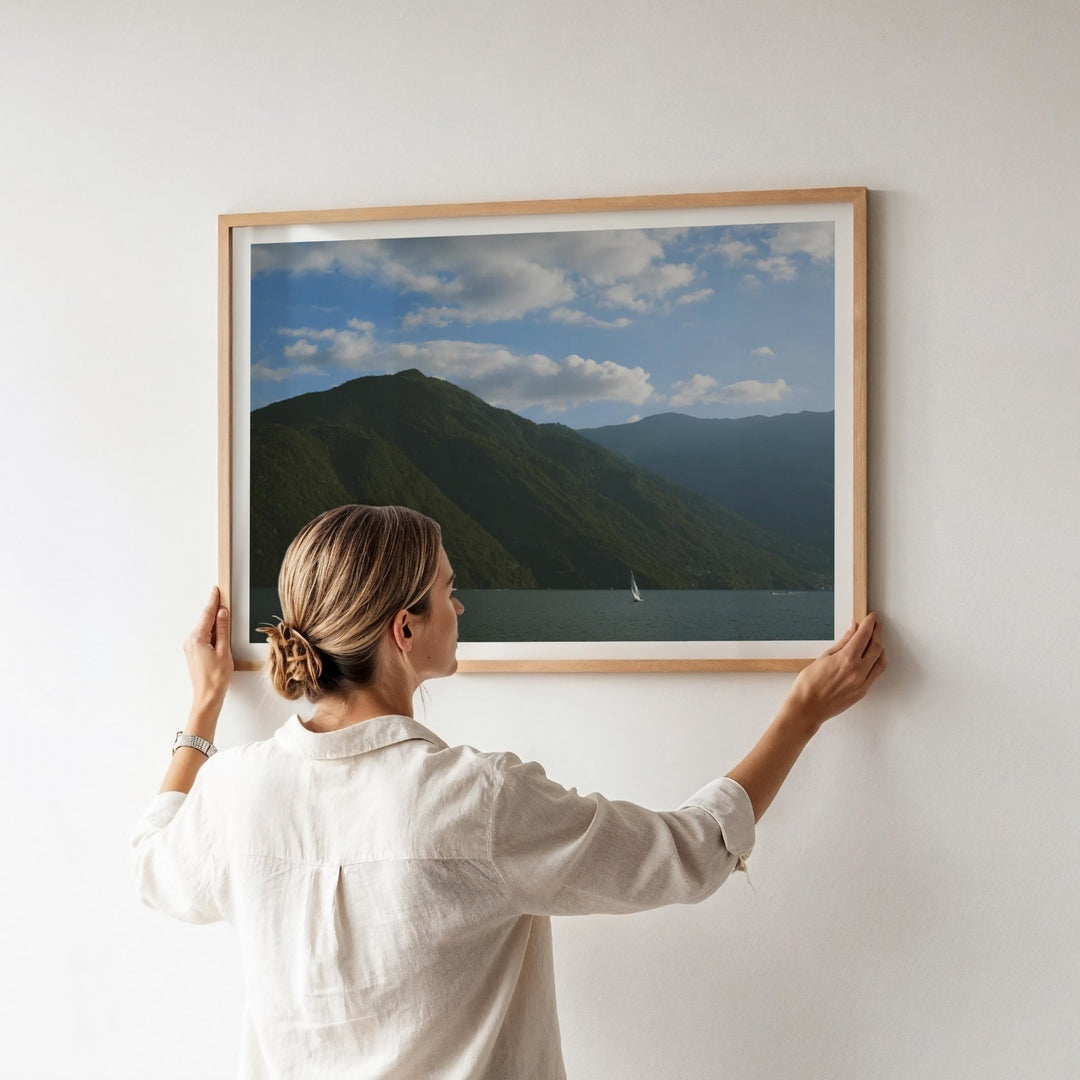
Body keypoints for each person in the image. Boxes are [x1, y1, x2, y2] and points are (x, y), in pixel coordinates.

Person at [132, 504, 886, 1080]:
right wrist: (801, 714)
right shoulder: (474, 798)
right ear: (404, 630)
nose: (460, 607)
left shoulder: (234, 790)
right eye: (449, 590)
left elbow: (153, 866)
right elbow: (688, 854)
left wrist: (202, 710)